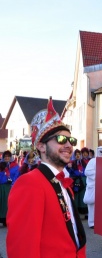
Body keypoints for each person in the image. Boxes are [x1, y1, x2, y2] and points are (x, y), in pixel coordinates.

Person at [6, 97, 86, 257]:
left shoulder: (64, 183)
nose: (69, 145)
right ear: (41, 146)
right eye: (61, 139)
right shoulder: (29, 183)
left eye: (71, 140)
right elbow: (23, 249)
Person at [83, 146, 102, 229]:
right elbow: (87, 172)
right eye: (101, 151)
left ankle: (100, 221)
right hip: (93, 186)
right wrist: (99, 176)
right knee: (92, 205)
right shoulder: (93, 161)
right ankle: (92, 223)